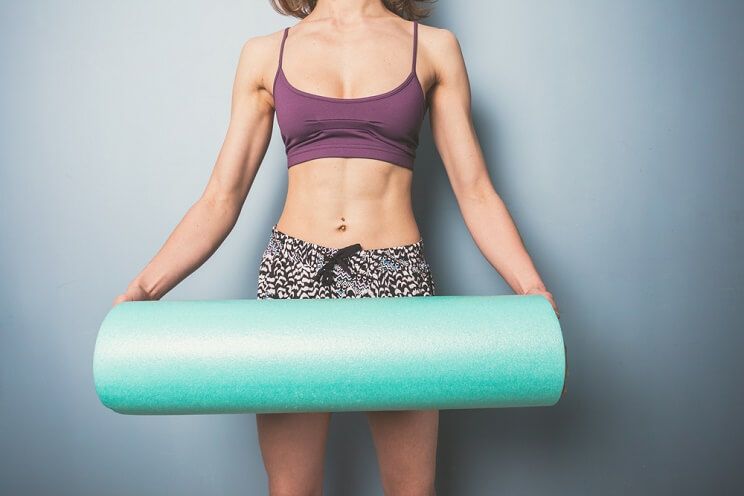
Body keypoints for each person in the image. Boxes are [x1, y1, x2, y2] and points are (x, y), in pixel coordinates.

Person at [113, 0, 559, 494]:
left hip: (397, 277)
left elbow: (474, 189)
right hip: (293, 274)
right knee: (291, 490)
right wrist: (143, 288)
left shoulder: (434, 48)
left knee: (412, 489)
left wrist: (530, 286)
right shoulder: (265, 54)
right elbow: (222, 195)